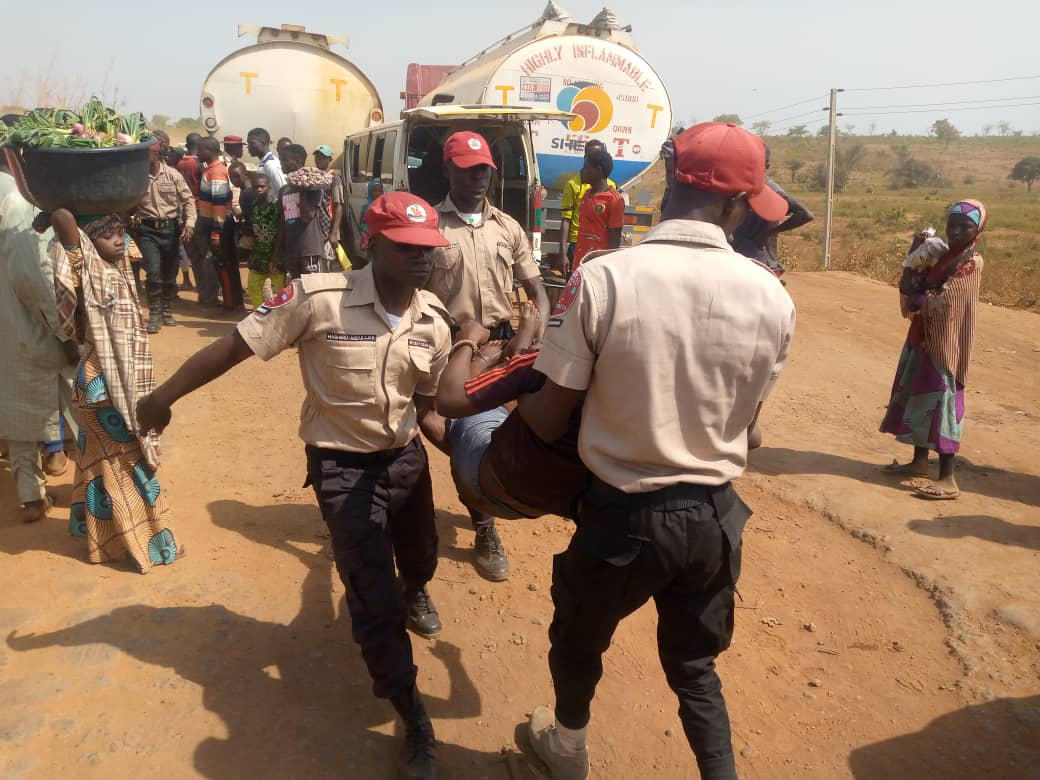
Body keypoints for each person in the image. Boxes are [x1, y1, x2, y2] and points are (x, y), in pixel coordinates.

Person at [136, 191, 452, 780]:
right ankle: (413, 715)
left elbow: (429, 408)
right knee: (372, 598)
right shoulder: (317, 298)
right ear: (370, 244)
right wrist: (163, 397)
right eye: (406, 248)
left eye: (428, 247)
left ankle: (415, 588)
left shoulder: (433, 317)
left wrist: (476, 457)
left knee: (422, 558)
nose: (421, 258)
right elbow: (235, 346)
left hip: (406, 461)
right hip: (342, 468)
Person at [516, 122, 795, 780]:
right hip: (715, 521)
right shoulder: (773, 299)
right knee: (695, 669)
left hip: (623, 519)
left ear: (671, 181)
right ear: (740, 203)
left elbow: (551, 411)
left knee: (579, 639)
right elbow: (750, 430)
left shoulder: (604, 279)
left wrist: (505, 406)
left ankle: (567, 748)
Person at [425, 130, 551, 582]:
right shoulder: (431, 227)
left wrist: (533, 331)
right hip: (448, 349)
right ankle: (483, 521)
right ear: (447, 170)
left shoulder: (508, 227)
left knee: (504, 433)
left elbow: (534, 286)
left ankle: (484, 508)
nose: (478, 177)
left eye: (484, 169)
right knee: (447, 430)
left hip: (502, 347)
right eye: (467, 168)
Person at [39, 209, 182, 571]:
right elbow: (68, 228)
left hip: (99, 381)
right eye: (107, 234)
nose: (118, 239)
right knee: (126, 466)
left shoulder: (117, 270)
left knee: (102, 466)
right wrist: (55, 206)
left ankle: (103, 544)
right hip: (101, 385)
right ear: (87, 242)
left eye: (120, 231)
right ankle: (147, 546)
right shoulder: (84, 267)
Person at [880, 200, 987, 500]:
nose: (955, 231)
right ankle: (918, 463)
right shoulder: (943, 255)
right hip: (923, 337)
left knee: (944, 404)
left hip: (945, 345)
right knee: (918, 396)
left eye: (964, 227)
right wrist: (915, 259)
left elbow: (946, 302)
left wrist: (919, 299)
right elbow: (918, 286)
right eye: (952, 224)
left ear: (977, 230)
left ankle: (948, 478)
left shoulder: (971, 262)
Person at [0, 170, 79, 523]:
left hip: (9, 327)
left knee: (17, 411)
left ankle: (31, 497)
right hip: (32, 326)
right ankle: (100, 489)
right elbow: (32, 279)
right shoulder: (18, 201)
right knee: (81, 407)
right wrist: (65, 333)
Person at [132, 141, 196, 332]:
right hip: (147, 230)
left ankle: (167, 310)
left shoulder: (173, 175)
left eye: (147, 156)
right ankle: (155, 314)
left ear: (156, 155)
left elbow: (188, 201)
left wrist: (190, 224)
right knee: (153, 273)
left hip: (170, 229)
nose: (144, 160)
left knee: (170, 274)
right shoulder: (137, 177)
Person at [731, 147, 814, 277]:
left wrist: (767, 233)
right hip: (738, 256)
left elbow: (805, 214)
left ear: (767, 165)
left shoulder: (771, 189)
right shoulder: (740, 184)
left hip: (759, 259)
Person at [558, 139, 616, 274]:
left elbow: (614, 231)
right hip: (576, 244)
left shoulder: (612, 190)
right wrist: (562, 252)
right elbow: (566, 219)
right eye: (590, 156)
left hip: (600, 250)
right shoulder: (573, 185)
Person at [277, 146, 331, 278]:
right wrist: (277, 253)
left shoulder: (313, 187)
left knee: (315, 294)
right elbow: (282, 224)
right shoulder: (284, 190)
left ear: (298, 161)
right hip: (292, 252)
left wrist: (301, 185)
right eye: (281, 160)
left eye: (285, 160)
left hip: (309, 251)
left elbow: (308, 217)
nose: (281, 164)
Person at [572, 147, 624, 268]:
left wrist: (607, 267)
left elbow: (614, 240)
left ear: (598, 170)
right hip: (580, 262)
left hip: (597, 265)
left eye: (586, 168)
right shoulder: (586, 195)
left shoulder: (614, 200)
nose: (581, 171)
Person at [194, 137, 232, 306]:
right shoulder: (209, 169)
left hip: (212, 223)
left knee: (209, 261)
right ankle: (207, 296)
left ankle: (210, 298)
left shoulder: (216, 172)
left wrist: (216, 233)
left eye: (200, 149)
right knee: (205, 260)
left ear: (210, 150)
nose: (197, 153)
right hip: (206, 220)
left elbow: (219, 205)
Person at [244, 174, 284, 308]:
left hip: (275, 255)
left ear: (269, 187)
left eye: (262, 186)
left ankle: (284, 318)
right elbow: (254, 233)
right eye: (256, 187)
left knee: (282, 292)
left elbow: (281, 233)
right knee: (253, 286)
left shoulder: (276, 206)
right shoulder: (254, 206)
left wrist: (276, 257)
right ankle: (260, 316)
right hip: (259, 255)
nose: (259, 189)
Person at [313, 144, 345, 259]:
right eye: (317, 157)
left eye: (322, 157)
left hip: (328, 227)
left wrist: (334, 232)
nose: (318, 160)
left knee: (326, 261)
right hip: (316, 227)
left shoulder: (335, 179)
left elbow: (339, 205)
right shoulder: (315, 177)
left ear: (329, 159)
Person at [247, 128, 286, 196]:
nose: (248, 146)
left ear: (263, 142)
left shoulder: (271, 164)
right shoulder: (264, 162)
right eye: (248, 143)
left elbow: (283, 189)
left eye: (252, 143)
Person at [176, 132, 203, 200]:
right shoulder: (200, 163)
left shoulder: (179, 163)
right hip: (198, 202)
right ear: (201, 145)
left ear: (186, 146)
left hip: (184, 201)